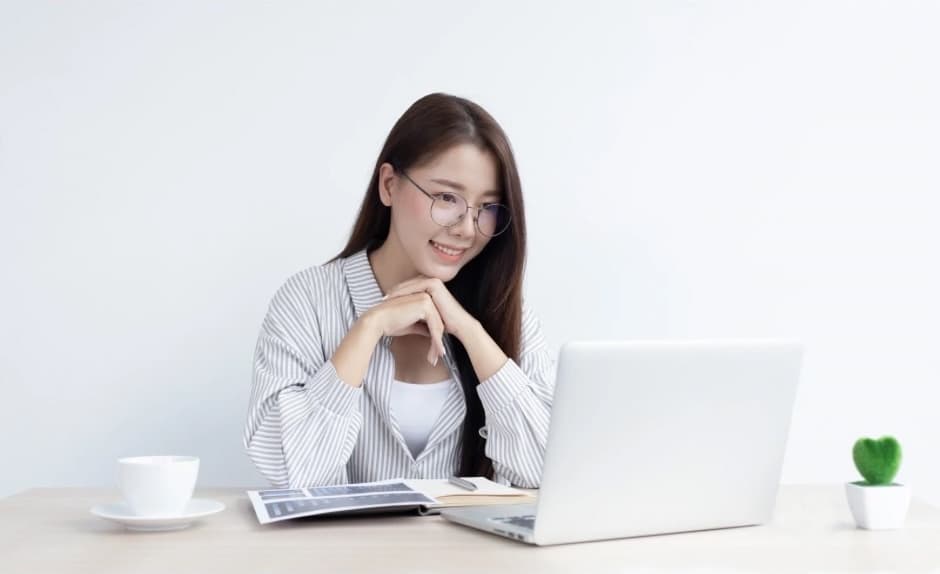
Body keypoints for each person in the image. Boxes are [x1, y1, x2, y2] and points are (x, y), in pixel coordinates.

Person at [243, 92, 555, 489]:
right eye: (447, 198)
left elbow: (548, 475)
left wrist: (473, 335)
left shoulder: (507, 311)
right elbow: (291, 475)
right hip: (341, 553)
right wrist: (368, 328)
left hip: (472, 554)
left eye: (487, 208)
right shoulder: (307, 301)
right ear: (389, 185)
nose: (465, 228)